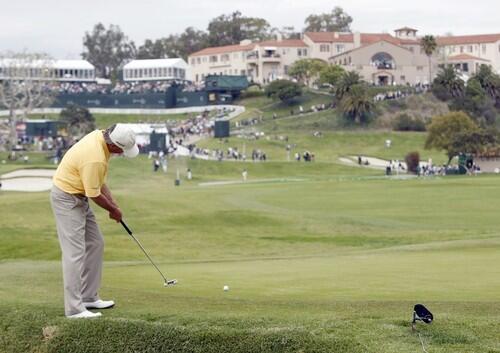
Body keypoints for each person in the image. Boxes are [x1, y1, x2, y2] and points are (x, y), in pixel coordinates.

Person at [50, 124, 139, 319]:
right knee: (74, 253)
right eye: (123, 150)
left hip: (79, 195)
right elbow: (94, 194)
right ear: (114, 145)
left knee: (96, 243)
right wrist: (112, 210)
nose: (123, 154)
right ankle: (74, 309)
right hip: (66, 197)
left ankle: (88, 296)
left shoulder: (101, 139)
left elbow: (100, 183)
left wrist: (115, 205)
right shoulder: (95, 157)